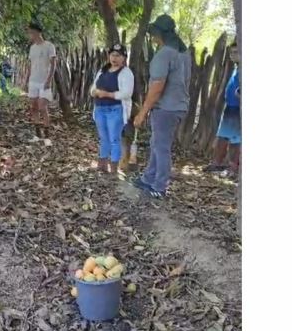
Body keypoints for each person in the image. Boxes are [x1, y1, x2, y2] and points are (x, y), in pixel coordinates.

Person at [133, 14, 191, 199]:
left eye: (154, 33)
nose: (152, 37)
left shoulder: (164, 53)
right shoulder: (184, 54)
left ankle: (159, 185)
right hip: (177, 105)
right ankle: (149, 178)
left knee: (161, 147)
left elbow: (157, 87)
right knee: (157, 143)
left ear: (159, 34)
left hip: (166, 107)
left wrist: (142, 112)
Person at [90, 44, 134, 174]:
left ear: (124, 58)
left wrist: (108, 94)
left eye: (118, 55)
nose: (114, 58)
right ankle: (102, 164)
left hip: (115, 109)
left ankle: (113, 167)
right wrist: (94, 92)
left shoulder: (126, 73)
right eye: (112, 55)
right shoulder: (103, 70)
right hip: (100, 109)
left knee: (114, 138)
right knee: (103, 137)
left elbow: (127, 93)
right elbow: (93, 87)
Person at [203, 42, 241, 177]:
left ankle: (233, 168)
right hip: (230, 107)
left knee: (236, 140)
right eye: (231, 53)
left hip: (238, 109)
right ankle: (217, 163)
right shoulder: (237, 68)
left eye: (236, 52)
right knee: (222, 136)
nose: (232, 55)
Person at [26, 22, 56, 139]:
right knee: (33, 107)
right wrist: (27, 79)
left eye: (31, 32)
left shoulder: (49, 46)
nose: (30, 35)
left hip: (44, 81)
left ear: (37, 32)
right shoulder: (32, 48)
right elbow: (30, 65)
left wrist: (49, 80)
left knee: (42, 107)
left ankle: (47, 134)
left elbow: (53, 64)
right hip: (33, 81)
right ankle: (37, 133)